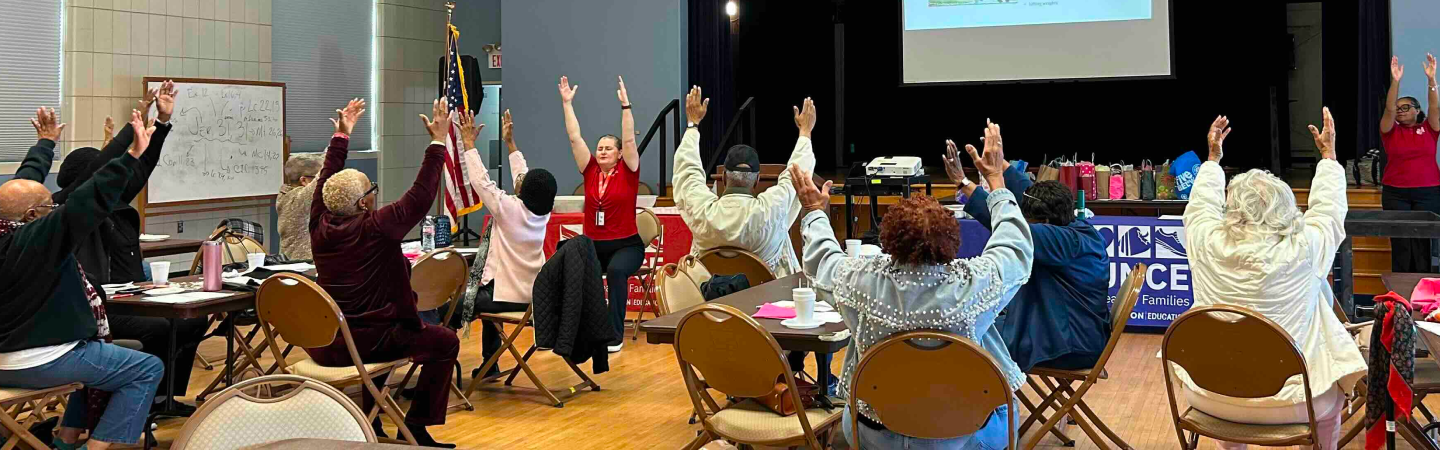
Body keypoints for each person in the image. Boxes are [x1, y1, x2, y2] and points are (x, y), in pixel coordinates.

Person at [799, 121, 1034, 449]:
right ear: (952, 240)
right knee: (1008, 410)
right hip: (963, 437)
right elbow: (1015, 248)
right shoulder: (975, 283)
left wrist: (814, 212)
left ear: (889, 241)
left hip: (874, 434)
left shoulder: (860, 281)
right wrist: (996, 181)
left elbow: (822, 259)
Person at [1182, 110, 1364, 450]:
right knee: (1332, 398)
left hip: (1209, 396)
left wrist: (1212, 159)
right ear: (1286, 207)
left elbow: (1200, 206)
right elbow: (1328, 211)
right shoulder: (1305, 248)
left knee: (1229, 371)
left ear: (1230, 207)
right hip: (1293, 402)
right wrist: (1328, 157)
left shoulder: (1205, 241)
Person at [0, 108, 165, 450]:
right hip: (36, 361)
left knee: (105, 355)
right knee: (145, 368)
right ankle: (98, 446)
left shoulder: (7, 225)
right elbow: (89, 197)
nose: (55, 210)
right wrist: (133, 154)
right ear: (33, 217)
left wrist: (44, 145)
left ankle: (67, 437)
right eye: (49, 208)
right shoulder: (39, 239)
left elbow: (23, 182)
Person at [306, 99, 459, 448]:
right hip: (370, 342)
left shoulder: (318, 223)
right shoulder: (376, 227)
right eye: (371, 190)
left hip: (328, 342)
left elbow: (325, 182)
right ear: (363, 203)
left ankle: (372, 425)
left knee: (387, 334)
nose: (375, 195)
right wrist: (438, 142)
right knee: (445, 342)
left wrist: (341, 137)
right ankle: (417, 428)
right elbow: (421, 197)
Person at [49, 82, 208, 417]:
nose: (116, 180)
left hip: (134, 296)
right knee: (162, 327)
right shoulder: (65, 214)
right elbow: (103, 171)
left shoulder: (116, 204)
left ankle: (164, 398)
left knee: (192, 319)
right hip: (100, 308)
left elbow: (141, 169)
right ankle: (138, 398)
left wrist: (161, 125)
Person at [670, 87, 835, 386]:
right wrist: (805, 133)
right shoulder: (770, 210)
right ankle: (808, 378)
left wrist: (693, 126)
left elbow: (687, 173)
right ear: (758, 181)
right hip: (770, 326)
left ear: (721, 179)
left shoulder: (701, 210)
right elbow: (796, 175)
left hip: (713, 319)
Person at [948, 133, 1111, 372]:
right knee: (975, 326)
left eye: (1028, 219)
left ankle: (991, 407)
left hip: (1069, 344)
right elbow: (1028, 192)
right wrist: (998, 165)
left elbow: (1009, 224)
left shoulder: (1063, 241)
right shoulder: (1071, 224)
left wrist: (992, 177)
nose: (1023, 221)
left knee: (967, 338)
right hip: (1068, 329)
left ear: (1043, 221)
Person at [458, 109, 558, 380]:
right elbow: (522, 177)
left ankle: (438, 369)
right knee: (487, 290)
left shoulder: (508, 209)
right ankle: (490, 365)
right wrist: (511, 144)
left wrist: (468, 144)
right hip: (530, 296)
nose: (520, 183)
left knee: (449, 308)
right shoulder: (542, 212)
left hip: (506, 296)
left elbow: (481, 182)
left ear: (524, 194)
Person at [559, 75, 643, 353]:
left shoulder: (629, 171)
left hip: (627, 244)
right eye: (600, 148)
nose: (603, 151)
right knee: (577, 272)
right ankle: (581, 330)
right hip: (594, 245)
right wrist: (567, 103)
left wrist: (626, 106)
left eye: (609, 148)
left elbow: (629, 139)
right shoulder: (590, 170)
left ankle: (614, 335)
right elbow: (573, 138)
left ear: (620, 154)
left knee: (618, 271)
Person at [1380, 54, 1440, 273]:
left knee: (1424, 241)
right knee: (1401, 242)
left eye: (1406, 107)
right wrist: (1395, 81)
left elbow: (1435, 108)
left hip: (1428, 192)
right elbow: (1388, 110)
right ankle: (1400, 288)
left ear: (1417, 110)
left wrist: (1431, 80)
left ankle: (1424, 285)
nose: (1400, 111)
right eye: (1398, 108)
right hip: (1396, 193)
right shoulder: (1390, 130)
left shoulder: (1429, 128)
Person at [278, 152, 324, 260]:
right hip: (300, 265)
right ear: (304, 180)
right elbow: (324, 173)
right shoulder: (298, 198)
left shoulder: (286, 192)